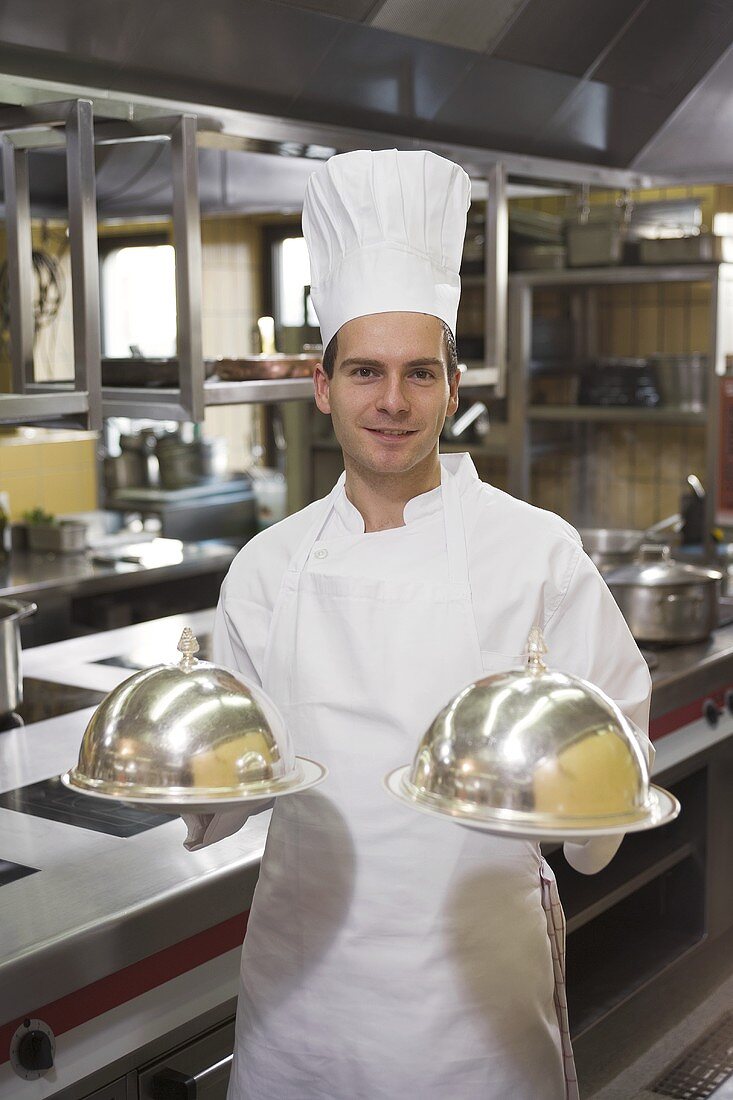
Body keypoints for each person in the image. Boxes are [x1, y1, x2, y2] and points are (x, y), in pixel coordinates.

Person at [184, 149, 653, 1100]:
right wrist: (174, 768)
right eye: (364, 371)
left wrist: (581, 806)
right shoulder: (267, 568)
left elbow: (616, 759)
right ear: (322, 387)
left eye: (416, 373)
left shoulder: (538, 554)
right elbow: (225, 791)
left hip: (474, 994)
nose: (390, 402)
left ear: (450, 385)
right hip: (303, 990)